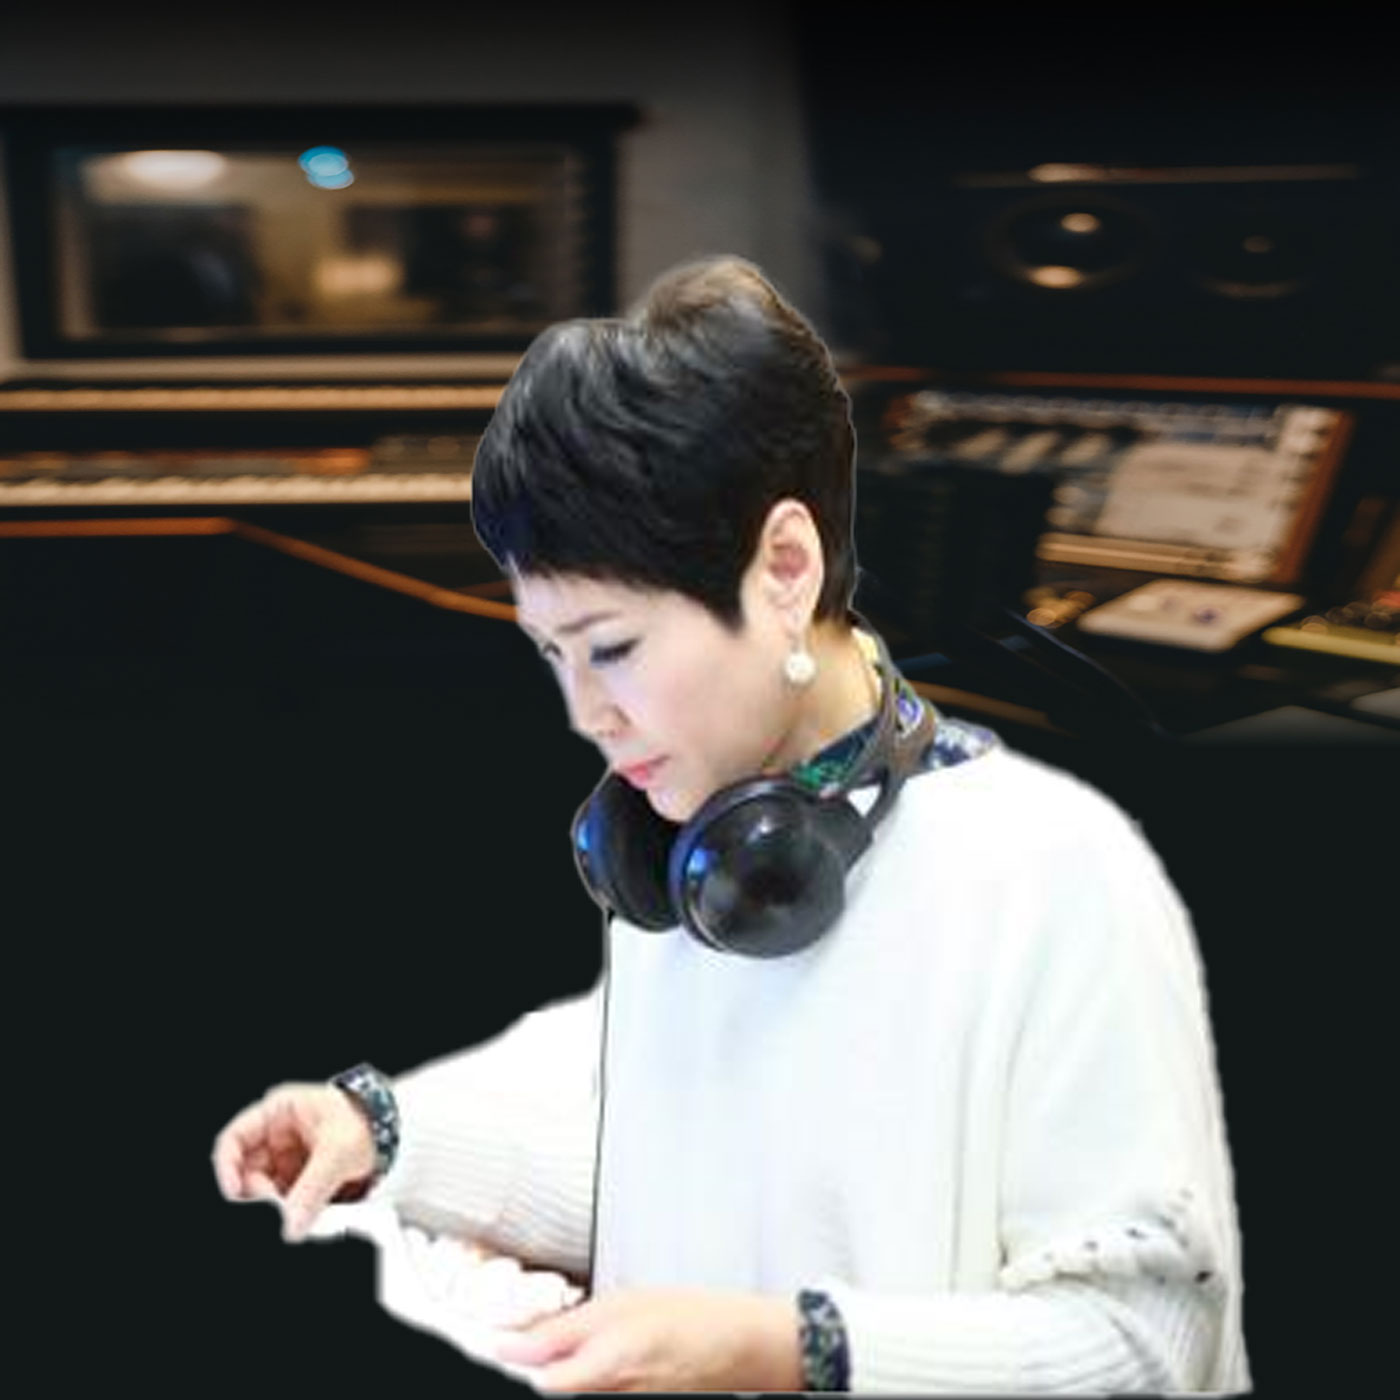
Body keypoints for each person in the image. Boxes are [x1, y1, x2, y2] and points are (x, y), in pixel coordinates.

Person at [212, 255, 1249, 1394]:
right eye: (553, 654)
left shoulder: (1053, 874)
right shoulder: (701, 854)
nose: (586, 713)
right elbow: (681, 1180)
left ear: (785, 571)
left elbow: (1144, 1343)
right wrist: (386, 1134)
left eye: (613, 647)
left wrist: (773, 1347)